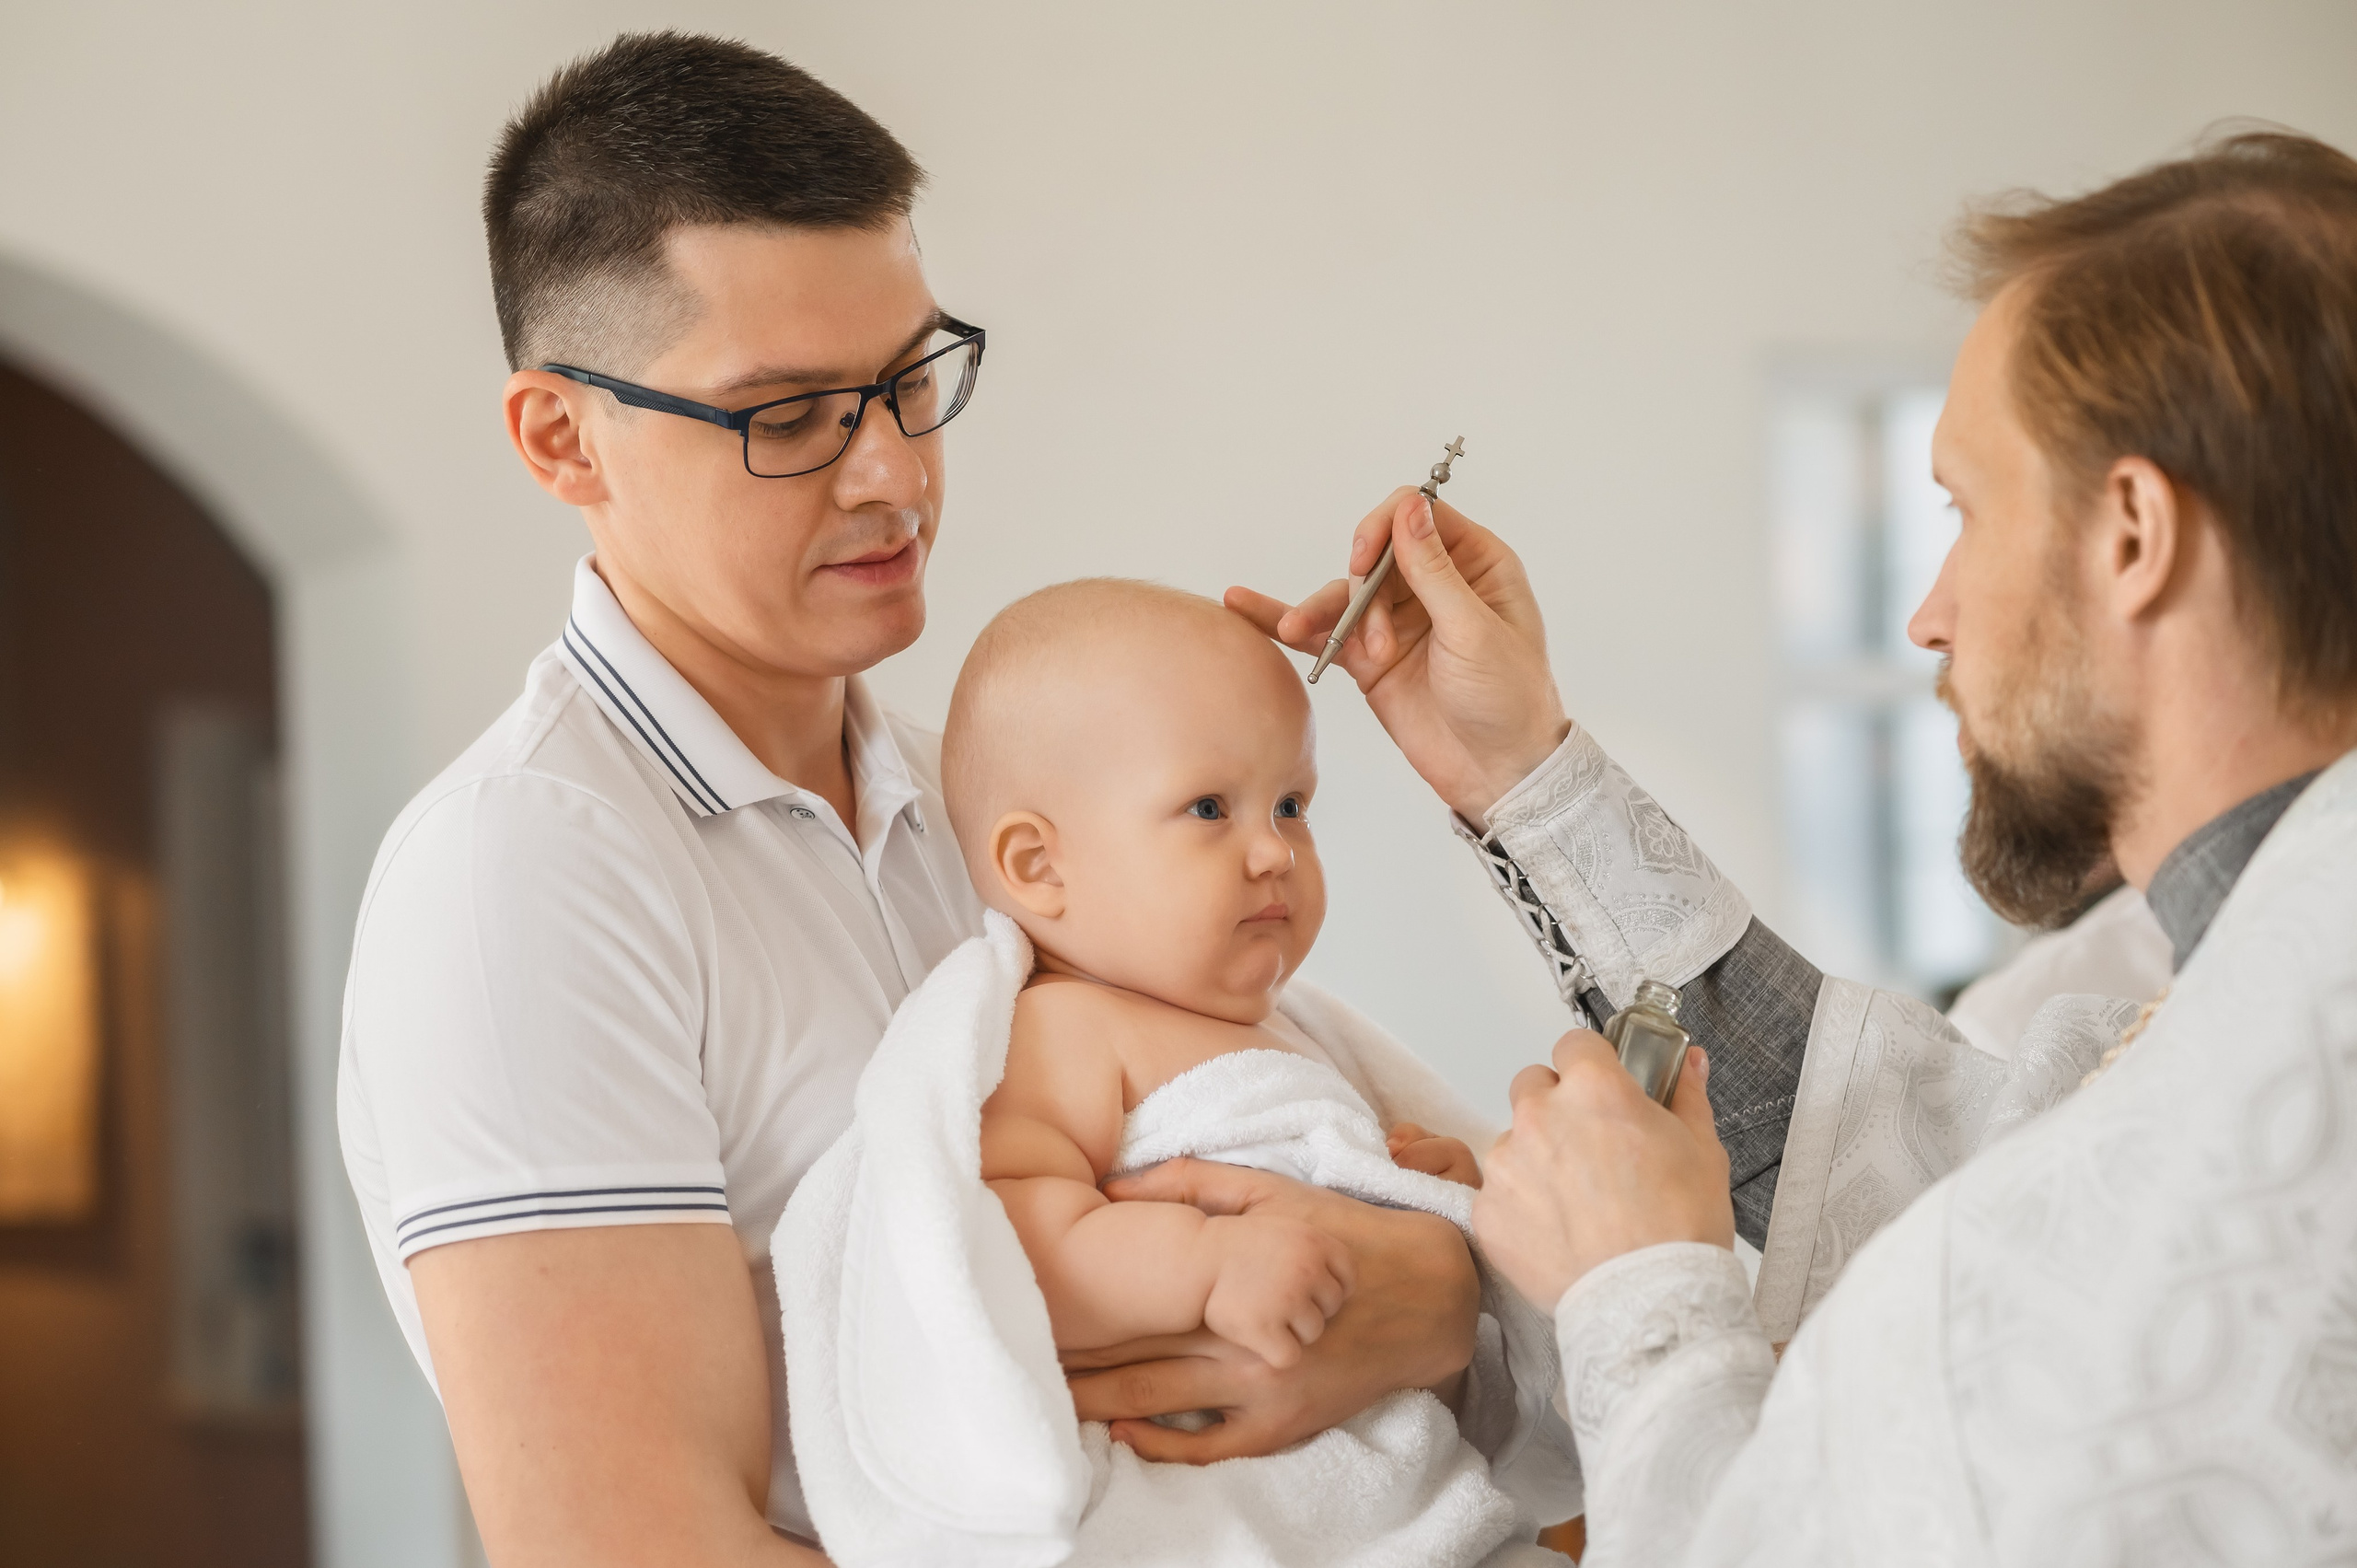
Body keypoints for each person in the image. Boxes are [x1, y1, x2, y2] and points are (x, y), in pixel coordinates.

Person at [338, 34, 1507, 1566]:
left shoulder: (989, 808)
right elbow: (631, 1545)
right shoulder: (525, 876)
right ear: (564, 438)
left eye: (905, 381)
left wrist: (1441, 1294)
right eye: (789, 415)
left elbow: (1253, 1149)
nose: (892, 474)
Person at [1226, 129, 2357, 1561]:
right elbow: (1951, 1174)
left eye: (1965, 510)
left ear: (2132, 532)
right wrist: (1521, 773)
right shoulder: (2278, 994)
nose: (1930, 614)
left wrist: (1640, 1296)